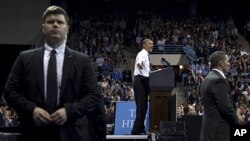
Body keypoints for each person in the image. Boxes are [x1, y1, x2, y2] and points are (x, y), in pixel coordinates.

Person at [3, 5, 105, 141]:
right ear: (43, 27)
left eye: (60, 22)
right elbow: (10, 91)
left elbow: (94, 95)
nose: (55, 25)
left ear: (67, 28)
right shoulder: (25, 58)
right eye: (51, 22)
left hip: (73, 134)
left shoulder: (82, 61)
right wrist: (32, 110)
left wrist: (69, 111)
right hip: (34, 134)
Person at [200, 51, 238, 141]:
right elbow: (225, 107)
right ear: (221, 63)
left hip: (209, 130)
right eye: (227, 61)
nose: (229, 64)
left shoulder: (207, 78)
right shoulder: (218, 80)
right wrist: (236, 120)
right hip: (218, 132)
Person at [131, 39, 153, 135]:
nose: (152, 45)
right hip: (140, 80)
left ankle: (140, 128)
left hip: (144, 81)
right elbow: (139, 62)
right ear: (144, 45)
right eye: (150, 43)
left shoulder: (146, 55)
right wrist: (140, 65)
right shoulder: (142, 53)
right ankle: (136, 131)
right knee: (141, 107)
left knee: (144, 107)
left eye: (152, 44)